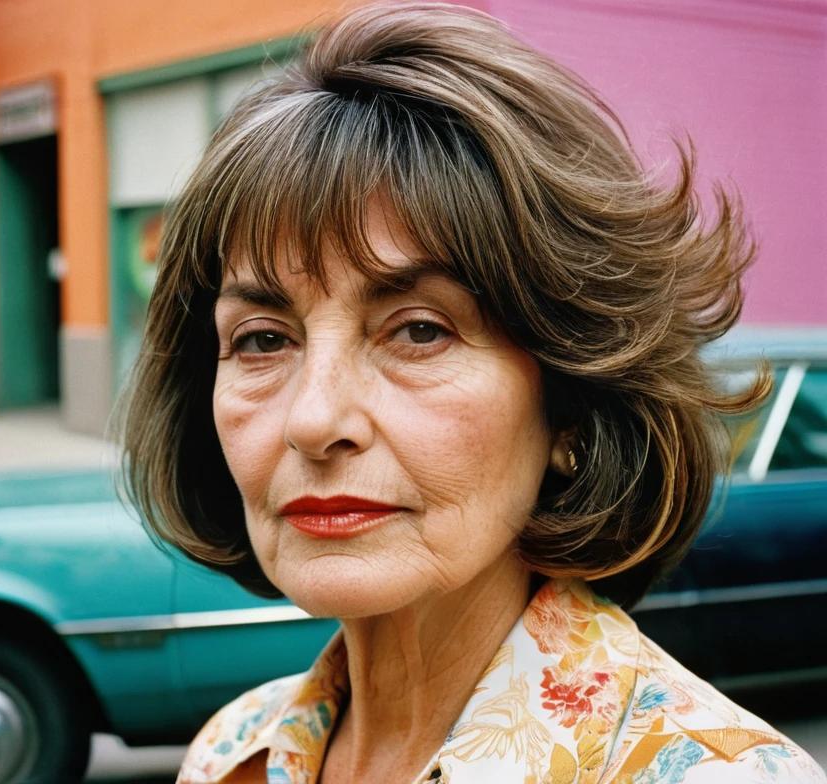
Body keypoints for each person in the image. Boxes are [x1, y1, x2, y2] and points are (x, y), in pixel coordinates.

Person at [118, 3, 827, 782]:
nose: (314, 419)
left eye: (418, 331)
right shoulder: (233, 753)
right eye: (262, 339)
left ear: (571, 403)